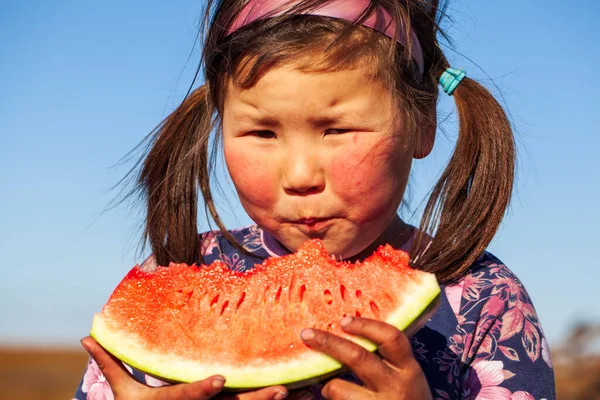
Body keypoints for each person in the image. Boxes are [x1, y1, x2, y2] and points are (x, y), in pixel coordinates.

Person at [74, 0, 556, 398]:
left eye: (337, 130)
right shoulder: (172, 275)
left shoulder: (487, 299)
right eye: (262, 132)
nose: (300, 175)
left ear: (422, 124)